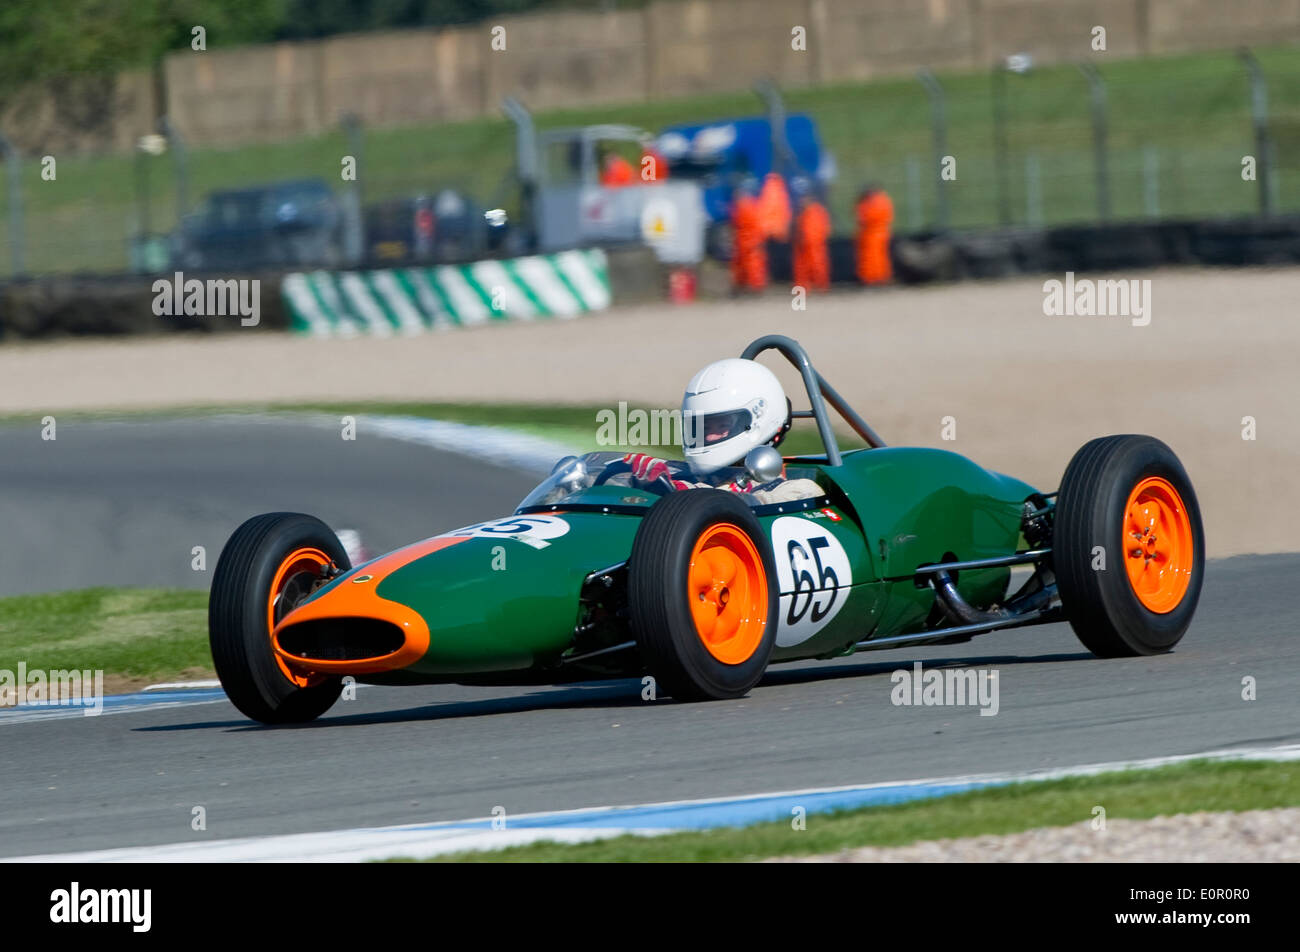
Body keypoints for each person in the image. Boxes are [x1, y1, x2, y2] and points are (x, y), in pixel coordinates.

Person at [607, 358, 823, 505]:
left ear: (757, 419)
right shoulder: (692, 478)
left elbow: (744, 505)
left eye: (721, 426)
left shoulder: (795, 491)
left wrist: (678, 495)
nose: (709, 436)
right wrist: (631, 481)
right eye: (703, 427)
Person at [729, 180, 768, 293]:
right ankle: (743, 286)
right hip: (744, 241)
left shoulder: (747, 205)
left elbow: (755, 225)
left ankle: (755, 287)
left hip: (750, 241)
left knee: (753, 265)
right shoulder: (745, 205)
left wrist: (756, 240)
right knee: (742, 265)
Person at [792, 182, 831, 292]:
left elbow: (822, 229)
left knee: (817, 265)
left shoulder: (817, 211)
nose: (801, 201)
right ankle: (805, 288)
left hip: (814, 245)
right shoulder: (802, 213)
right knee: (802, 267)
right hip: (803, 246)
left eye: (803, 198)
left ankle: (820, 287)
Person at [855, 184, 894, 285]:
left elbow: (865, 218)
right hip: (874, 233)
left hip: (874, 233)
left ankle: (875, 278)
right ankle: (876, 277)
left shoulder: (876, 201)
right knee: (874, 257)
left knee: (873, 258)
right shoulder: (880, 200)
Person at [757, 171, 792, 243]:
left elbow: (763, 212)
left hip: (771, 234)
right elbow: (785, 212)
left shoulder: (768, 189)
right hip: (777, 234)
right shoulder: (780, 190)